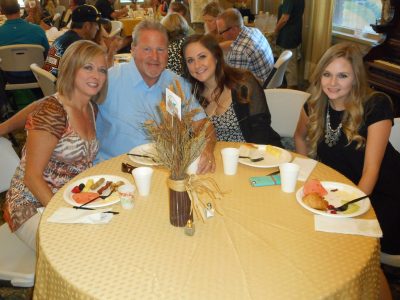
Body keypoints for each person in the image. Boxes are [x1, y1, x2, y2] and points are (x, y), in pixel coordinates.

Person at [294, 42, 400, 263]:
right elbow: (299, 137)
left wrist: (348, 210)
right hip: (342, 188)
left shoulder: (375, 105)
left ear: (356, 79)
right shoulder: (314, 105)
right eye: (327, 74)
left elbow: (371, 171)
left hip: (384, 193)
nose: (332, 83)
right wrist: (307, 179)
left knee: (340, 247)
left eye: (342, 76)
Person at [3, 40, 108, 251]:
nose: (96, 76)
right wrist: (65, 215)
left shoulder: (91, 109)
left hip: (69, 199)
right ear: (71, 68)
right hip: (31, 206)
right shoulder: (53, 111)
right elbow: (31, 177)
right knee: (81, 252)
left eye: (102, 70)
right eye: (88, 67)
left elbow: (35, 105)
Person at [96, 20, 216, 173]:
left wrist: (207, 150)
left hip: (165, 173)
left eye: (160, 49)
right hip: (115, 172)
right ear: (133, 49)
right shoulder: (108, 80)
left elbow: (203, 125)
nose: (154, 57)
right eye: (147, 49)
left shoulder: (175, 84)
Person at [182, 34, 281, 146]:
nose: (197, 65)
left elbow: (261, 131)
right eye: (190, 60)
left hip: (253, 155)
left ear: (216, 57)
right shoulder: (190, 95)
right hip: (215, 159)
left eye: (202, 56)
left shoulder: (244, 83)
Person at [43, 4, 118, 77]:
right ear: (87, 26)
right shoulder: (79, 45)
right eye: (96, 24)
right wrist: (111, 51)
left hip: (55, 84)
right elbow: (105, 72)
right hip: (67, 87)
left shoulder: (65, 38)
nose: (98, 28)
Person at [216, 8, 274, 84]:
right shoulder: (254, 31)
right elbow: (233, 43)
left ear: (233, 29)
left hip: (260, 88)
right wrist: (214, 47)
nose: (220, 36)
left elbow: (234, 83)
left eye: (221, 32)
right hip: (269, 78)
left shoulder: (240, 51)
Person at [274, 0, 305, 89]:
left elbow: (284, 18)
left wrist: (276, 30)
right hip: (294, 33)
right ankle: (287, 88)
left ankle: (291, 93)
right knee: (289, 65)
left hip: (288, 36)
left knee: (290, 69)